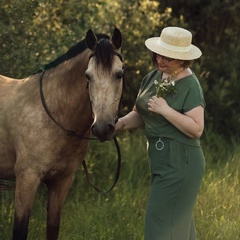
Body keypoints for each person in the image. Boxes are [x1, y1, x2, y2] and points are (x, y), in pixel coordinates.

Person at [115, 26, 205, 240]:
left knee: (160, 227)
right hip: (160, 162)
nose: (161, 60)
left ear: (183, 60)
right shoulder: (152, 77)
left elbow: (197, 129)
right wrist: (118, 125)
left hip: (182, 163)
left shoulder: (191, 85)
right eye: (158, 54)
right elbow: (141, 114)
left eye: (169, 58)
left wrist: (166, 110)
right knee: (178, 228)